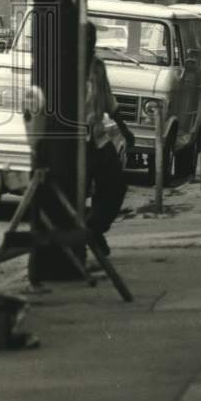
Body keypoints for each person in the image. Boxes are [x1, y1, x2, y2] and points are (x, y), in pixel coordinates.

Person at [85, 22, 134, 255]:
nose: (89, 44)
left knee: (116, 185)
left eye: (92, 40)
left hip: (97, 137)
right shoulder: (65, 65)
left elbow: (107, 101)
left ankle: (94, 228)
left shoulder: (97, 67)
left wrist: (125, 131)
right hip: (72, 141)